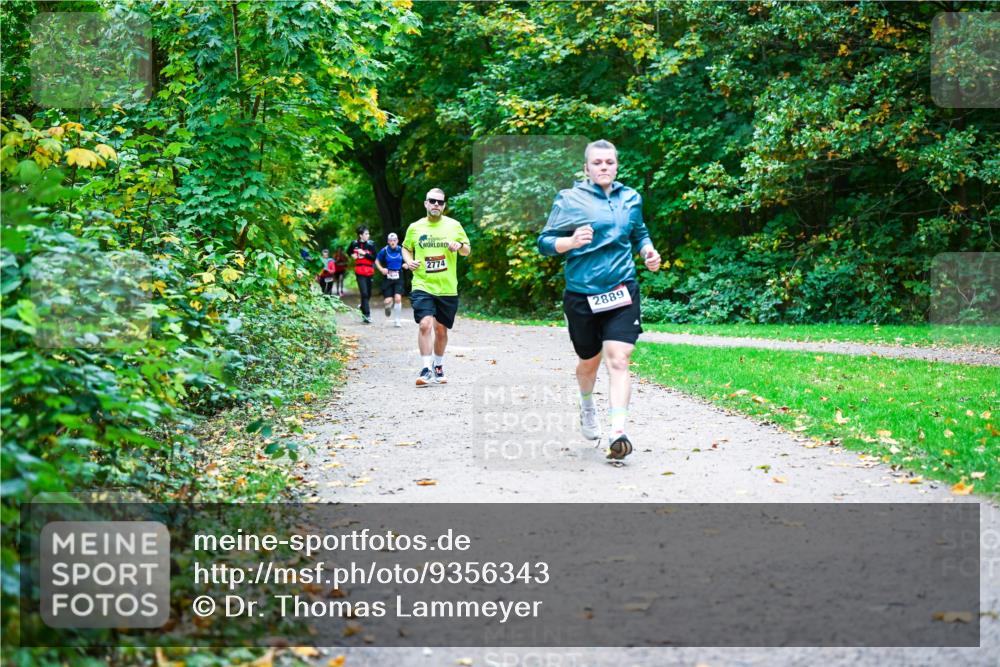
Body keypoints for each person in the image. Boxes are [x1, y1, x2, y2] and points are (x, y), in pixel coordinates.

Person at [537, 139, 661, 460]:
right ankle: (587, 403)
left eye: (609, 162)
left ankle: (617, 432)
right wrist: (570, 241)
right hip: (582, 294)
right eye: (597, 163)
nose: (604, 167)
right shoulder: (569, 199)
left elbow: (639, 233)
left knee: (618, 358)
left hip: (622, 290)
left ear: (616, 166)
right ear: (586, 168)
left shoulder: (631, 198)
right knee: (588, 362)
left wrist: (648, 251)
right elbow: (544, 242)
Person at [402, 188, 471, 386]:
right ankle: (425, 369)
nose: (436, 205)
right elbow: (406, 248)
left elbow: (467, 250)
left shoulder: (454, 225)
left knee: (441, 330)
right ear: (426, 203)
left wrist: (459, 246)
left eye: (440, 202)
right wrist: (409, 261)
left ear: (444, 206)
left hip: (447, 287)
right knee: (425, 324)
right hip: (422, 284)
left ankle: (438, 366)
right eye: (432, 201)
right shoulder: (415, 227)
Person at [347, 226, 377, 323]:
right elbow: (348, 252)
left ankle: (362, 306)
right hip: (359, 271)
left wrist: (364, 253)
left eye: (368, 234)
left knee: (368, 294)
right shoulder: (354, 243)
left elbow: (374, 258)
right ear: (360, 235)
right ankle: (367, 315)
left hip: (369, 271)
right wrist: (352, 255)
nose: (368, 235)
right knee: (364, 293)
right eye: (366, 234)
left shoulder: (371, 244)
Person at [375, 232, 406, 327]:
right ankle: (388, 306)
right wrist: (381, 269)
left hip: (398, 275)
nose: (393, 242)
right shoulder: (384, 250)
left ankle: (397, 320)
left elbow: (408, 259)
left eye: (394, 240)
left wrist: (407, 264)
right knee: (387, 301)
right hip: (388, 277)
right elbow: (377, 260)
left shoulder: (401, 250)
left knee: (398, 298)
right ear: (388, 241)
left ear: (397, 241)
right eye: (391, 240)